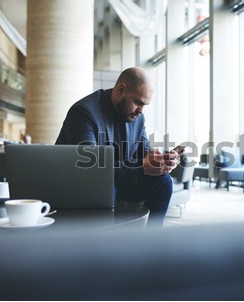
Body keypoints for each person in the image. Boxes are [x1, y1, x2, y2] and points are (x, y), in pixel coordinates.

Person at [55, 67, 179, 227]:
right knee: (107, 189)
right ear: (121, 89)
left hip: (118, 181)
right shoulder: (84, 113)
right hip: (82, 187)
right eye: (138, 102)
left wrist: (162, 162)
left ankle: (152, 240)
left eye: (145, 105)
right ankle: (109, 245)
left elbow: (146, 153)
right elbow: (90, 170)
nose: (141, 111)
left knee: (163, 181)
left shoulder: (138, 117)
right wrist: (142, 168)